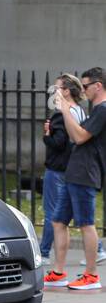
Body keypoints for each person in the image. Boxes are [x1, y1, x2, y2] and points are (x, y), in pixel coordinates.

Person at [49, 67, 106, 290]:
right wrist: (65, 111)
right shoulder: (96, 110)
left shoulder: (102, 110)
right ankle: (58, 272)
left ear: (98, 85)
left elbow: (80, 137)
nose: (83, 90)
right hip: (75, 171)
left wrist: (64, 108)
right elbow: (75, 136)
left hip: (85, 172)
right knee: (58, 221)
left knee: (86, 224)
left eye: (85, 86)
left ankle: (91, 276)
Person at [41, 74, 85, 271]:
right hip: (72, 168)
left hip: (57, 169)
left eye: (57, 88)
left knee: (54, 213)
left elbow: (59, 143)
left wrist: (47, 135)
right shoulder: (80, 112)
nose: (54, 91)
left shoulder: (61, 113)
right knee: (72, 213)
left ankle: (43, 253)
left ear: (66, 91)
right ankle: (99, 248)